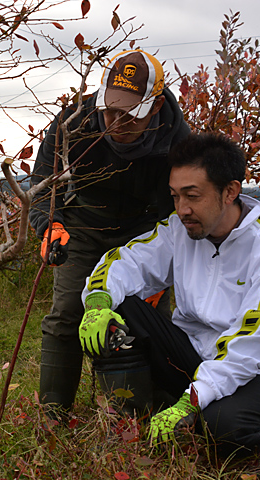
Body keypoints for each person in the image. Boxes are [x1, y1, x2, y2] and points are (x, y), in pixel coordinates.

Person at [78, 133, 260, 457]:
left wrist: (193, 399)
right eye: (175, 196)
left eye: (192, 196)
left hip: (259, 369)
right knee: (118, 306)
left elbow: (254, 342)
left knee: (222, 427)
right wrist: (97, 302)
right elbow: (125, 262)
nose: (182, 209)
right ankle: (130, 425)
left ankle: (234, 430)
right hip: (192, 353)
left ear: (229, 191)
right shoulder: (179, 230)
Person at [30, 49, 191, 417]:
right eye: (110, 109)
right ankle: (54, 417)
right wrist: (49, 225)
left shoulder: (178, 141)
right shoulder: (74, 121)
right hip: (83, 224)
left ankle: (154, 411)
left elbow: (178, 213)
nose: (116, 121)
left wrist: (162, 277)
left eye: (129, 114)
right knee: (67, 313)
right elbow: (41, 183)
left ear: (153, 108)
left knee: (149, 320)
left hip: (144, 232)